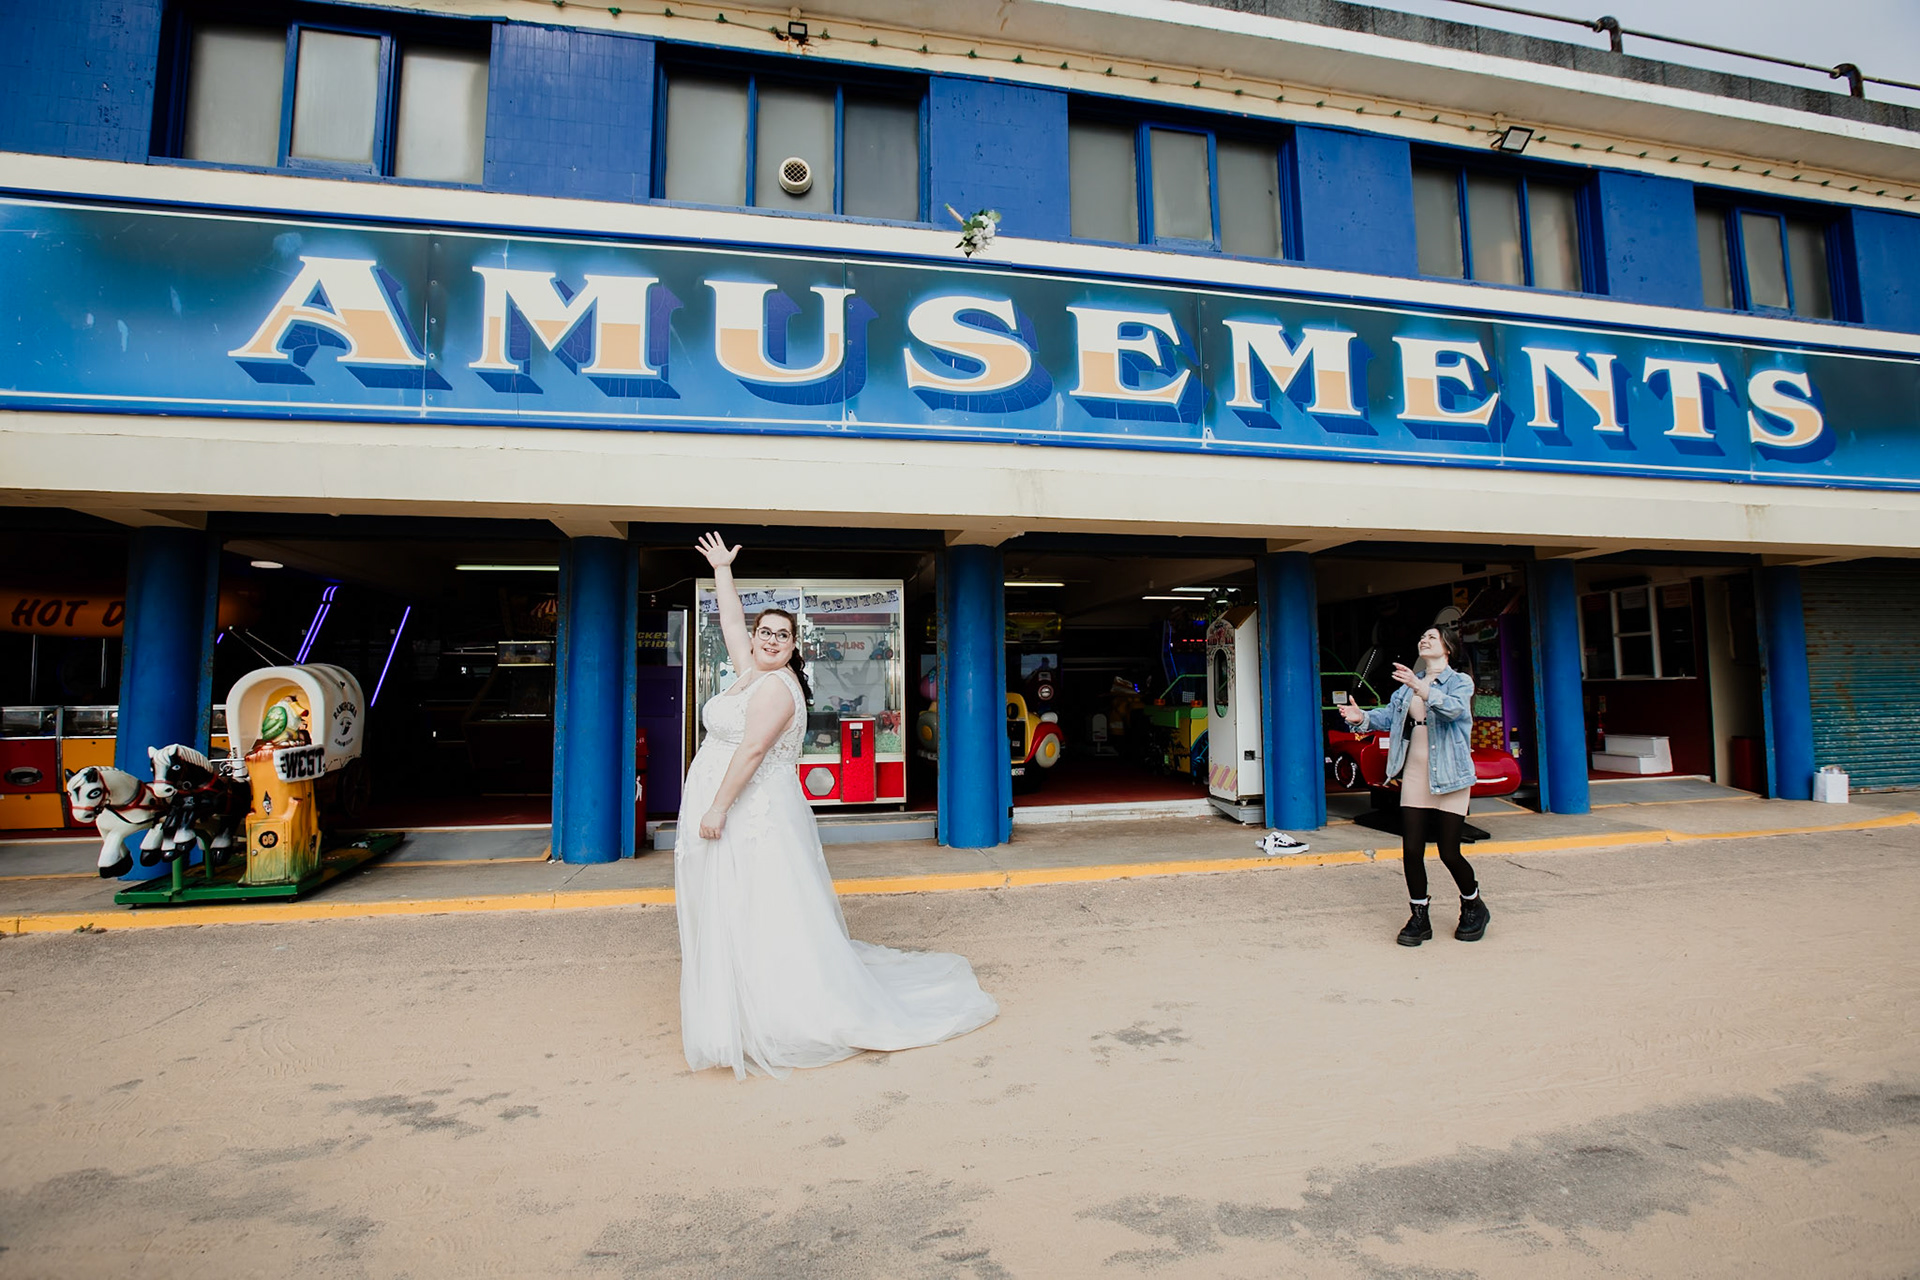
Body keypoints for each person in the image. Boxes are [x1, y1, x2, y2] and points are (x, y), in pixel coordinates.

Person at [675, 532, 998, 1078]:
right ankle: (741, 992)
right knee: (736, 904)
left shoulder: (776, 688)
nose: (772, 639)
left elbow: (753, 750)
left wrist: (716, 808)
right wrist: (724, 572)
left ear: (795, 645)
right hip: (738, 812)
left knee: (758, 905)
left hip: (749, 816)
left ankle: (774, 1008)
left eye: (784, 635)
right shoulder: (750, 674)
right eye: (766, 631)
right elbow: (731, 622)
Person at [1338, 624, 1490, 946]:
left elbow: (1454, 711)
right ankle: (1419, 917)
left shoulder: (1459, 682)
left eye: (1432, 637)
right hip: (1415, 774)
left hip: (1450, 773)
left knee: (1449, 851)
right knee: (1411, 850)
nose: (1424, 640)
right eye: (1422, 636)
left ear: (1447, 647)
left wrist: (1422, 688)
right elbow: (1390, 717)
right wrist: (1361, 717)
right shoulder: (1408, 687)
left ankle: (1473, 904)